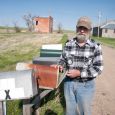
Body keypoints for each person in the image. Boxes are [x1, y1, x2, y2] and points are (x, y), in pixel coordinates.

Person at [54, 16, 103, 115]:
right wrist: (61, 66)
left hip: (86, 86)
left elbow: (98, 68)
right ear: (76, 28)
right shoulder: (68, 44)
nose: (82, 31)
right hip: (68, 84)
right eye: (80, 28)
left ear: (89, 30)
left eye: (85, 28)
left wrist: (80, 73)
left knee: (84, 111)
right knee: (70, 111)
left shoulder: (95, 46)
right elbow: (62, 59)